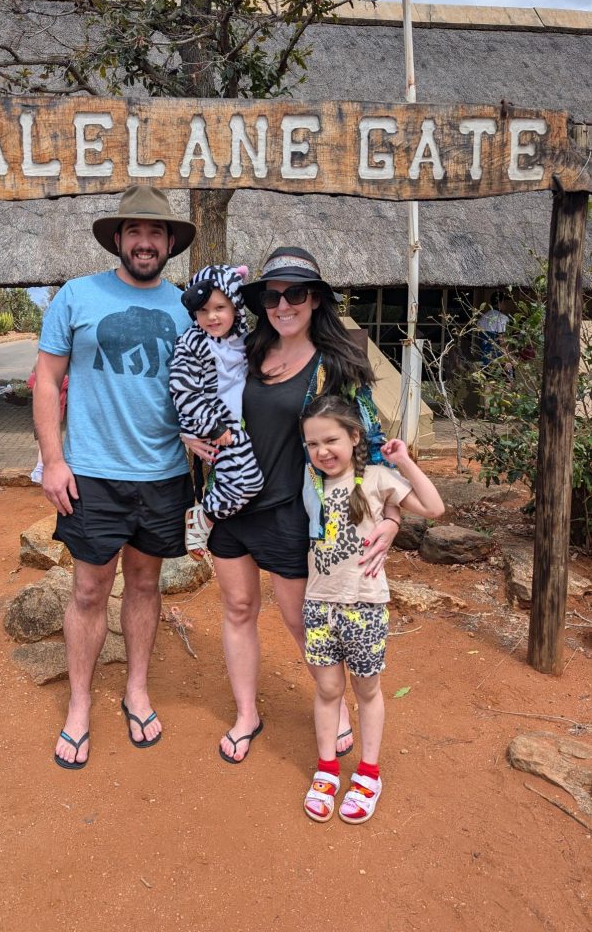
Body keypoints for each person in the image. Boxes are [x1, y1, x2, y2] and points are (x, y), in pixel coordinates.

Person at [185, 246, 402, 764]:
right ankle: (246, 713)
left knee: (299, 619)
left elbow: (370, 445)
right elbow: (197, 399)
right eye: (273, 295)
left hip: (291, 511)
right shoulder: (242, 349)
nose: (283, 305)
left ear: (315, 300)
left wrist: (391, 517)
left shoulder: (337, 364)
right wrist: (190, 436)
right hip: (232, 505)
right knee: (237, 609)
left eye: (295, 294)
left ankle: (335, 702)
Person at [33, 185, 196, 769]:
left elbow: (202, 387)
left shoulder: (185, 309)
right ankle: (80, 705)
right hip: (92, 473)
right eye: (134, 232)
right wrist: (54, 460)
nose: (145, 242)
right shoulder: (76, 297)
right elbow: (47, 381)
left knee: (147, 585)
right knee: (87, 589)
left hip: (162, 472)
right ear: (119, 240)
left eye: (155, 233)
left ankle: (137, 689)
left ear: (170, 243)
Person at [299, 397, 444, 823]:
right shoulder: (309, 480)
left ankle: (367, 773)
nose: (322, 450)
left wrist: (405, 461)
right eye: (312, 443)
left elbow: (434, 508)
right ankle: (327, 770)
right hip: (319, 604)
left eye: (331, 440)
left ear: (354, 437)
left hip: (365, 605)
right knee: (328, 690)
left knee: (366, 691)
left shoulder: (379, 478)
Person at [169, 264, 264, 557]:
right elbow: (182, 389)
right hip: (217, 421)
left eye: (220, 307)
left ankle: (210, 511)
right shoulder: (192, 342)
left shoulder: (242, 337)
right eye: (203, 310)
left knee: (245, 479)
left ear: (236, 307)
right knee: (248, 482)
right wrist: (213, 426)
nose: (211, 317)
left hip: (240, 420)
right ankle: (204, 518)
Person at [27, 370, 68, 484]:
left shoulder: (34, 377)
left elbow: (29, 384)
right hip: (52, 418)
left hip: (39, 416)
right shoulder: (63, 379)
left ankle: (41, 470)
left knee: (42, 443)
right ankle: (39, 470)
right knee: (46, 444)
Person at [477, 291, 509, 366]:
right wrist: (508, 359)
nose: (505, 305)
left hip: (483, 359)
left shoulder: (482, 318)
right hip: (497, 361)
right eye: (505, 302)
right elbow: (502, 340)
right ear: (500, 302)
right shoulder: (502, 318)